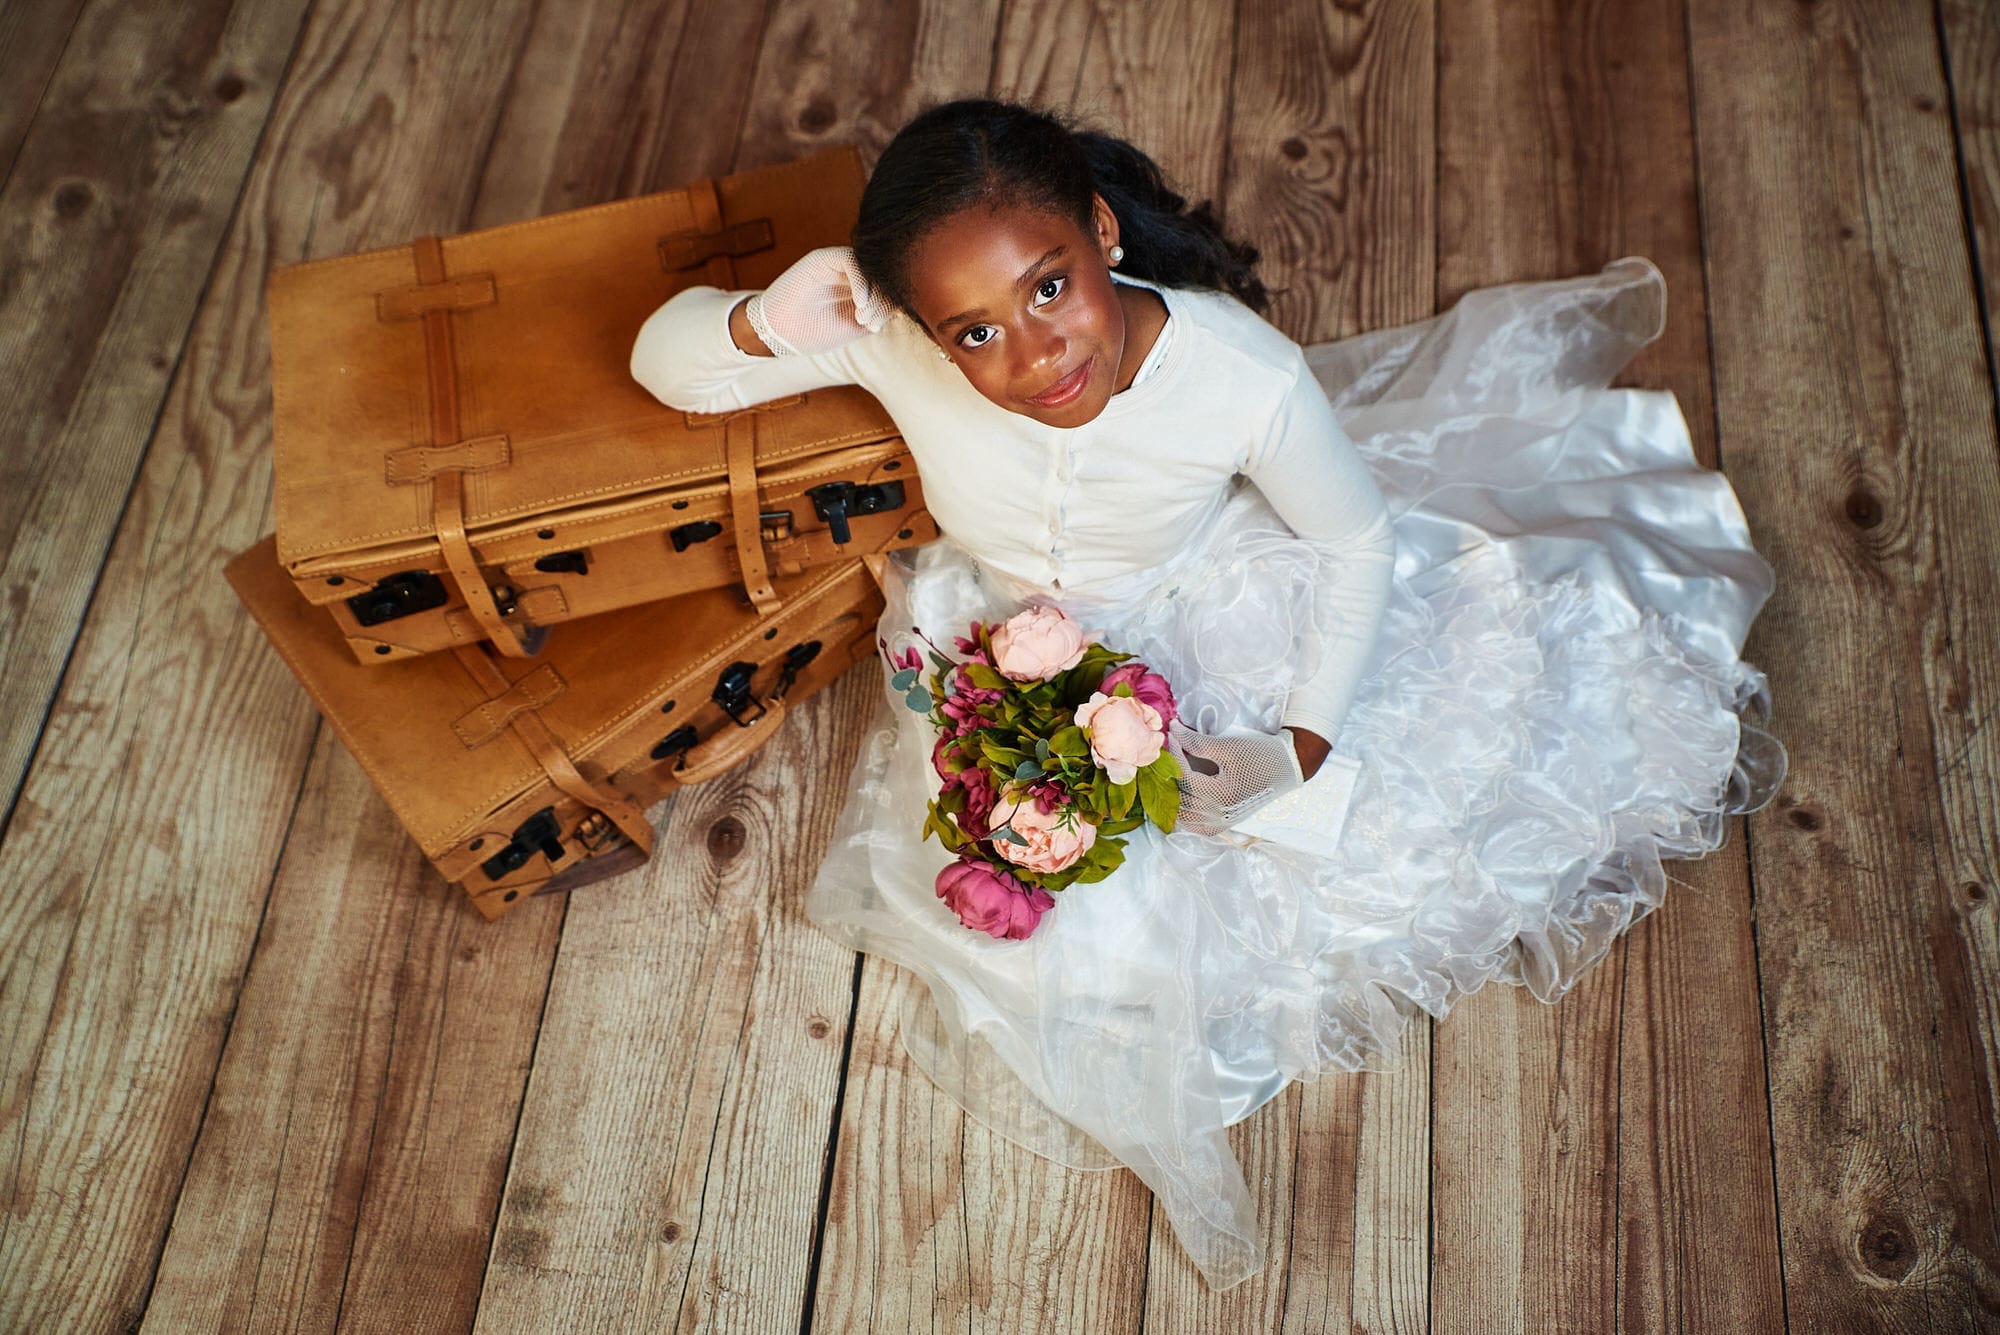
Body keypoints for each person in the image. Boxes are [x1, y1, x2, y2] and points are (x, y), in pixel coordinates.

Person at [631, 99, 1783, 1290]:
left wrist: (1304, 741)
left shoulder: (1237, 371)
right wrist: (763, 323)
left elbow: (1354, 548)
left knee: (1299, 876)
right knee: (1048, 916)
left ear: (1099, 233)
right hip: (1015, 639)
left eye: (1046, 289)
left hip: (1214, 603)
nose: (1032, 360)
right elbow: (666, 366)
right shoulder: (891, 334)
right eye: (972, 335)